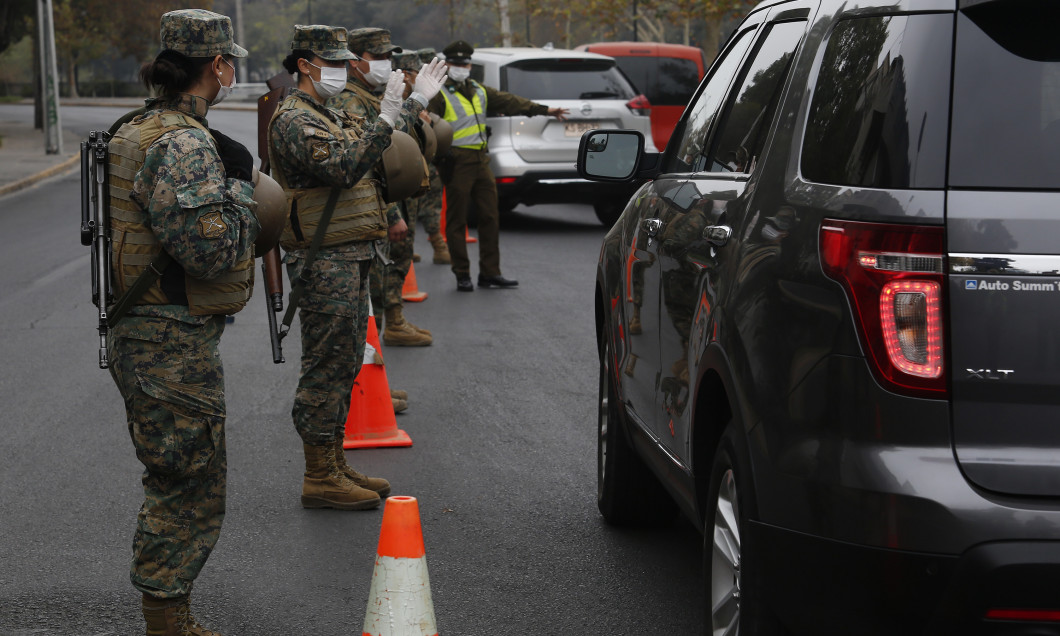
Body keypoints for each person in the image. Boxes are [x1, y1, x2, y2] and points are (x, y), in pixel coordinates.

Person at [106, 9, 258, 634]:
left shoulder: (135, 126)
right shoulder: (184, 143)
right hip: (169, 338)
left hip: (141, 329)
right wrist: (245, 189)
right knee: (188, 482)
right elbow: (210, 249)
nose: (231, 74)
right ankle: (166, 615)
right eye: (229, 63)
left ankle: (164, 609)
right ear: (215, 67)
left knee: (173, 472)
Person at [268, 25, 445, 511]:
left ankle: (333, 460)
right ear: (304, 64)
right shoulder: (294, 118)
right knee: (326, 364)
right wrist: (389, 114)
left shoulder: (326, 111)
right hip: (322, 257)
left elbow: (371, 152)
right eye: (334, 63)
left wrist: (405, 106)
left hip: (346, 252)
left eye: (346, 63)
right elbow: (346, 167)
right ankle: (319, 473)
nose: (343, 71)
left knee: (346, 360)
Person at [427, 40, 569, 291]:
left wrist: (546, 110)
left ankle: (490, 273)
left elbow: (510, 101)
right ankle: (462, 273)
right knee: (457, 220)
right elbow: (428, 128)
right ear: (447, 65)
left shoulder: (478, 90)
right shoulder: (439, 93)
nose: (462, 67)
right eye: (456, 63)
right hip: (456, 160)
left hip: (482, 160)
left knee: (490, 216)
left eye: (465, 63)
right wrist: (438, 159)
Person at [329, 27, 436, 347]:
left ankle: (391, 330)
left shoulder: (372, 96)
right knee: (371, 293)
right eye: (378, 57)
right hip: (376, 205)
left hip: (393, 196)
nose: (387, 63)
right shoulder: (349, 99)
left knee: (391, 271)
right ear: (356, 61)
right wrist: (390, 215)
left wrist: (414, 102)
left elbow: (393, 135)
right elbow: (367, 161)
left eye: (390, 57)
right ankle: (369, 378)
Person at [395, 49, 451, 266]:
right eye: (418, 72)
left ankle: (414, 248)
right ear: (407, 75)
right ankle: (431, 244)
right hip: (404, 166)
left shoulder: (420, 95)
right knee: (410, 209)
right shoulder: (393, 99)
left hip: (424, 161)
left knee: (420, 205)